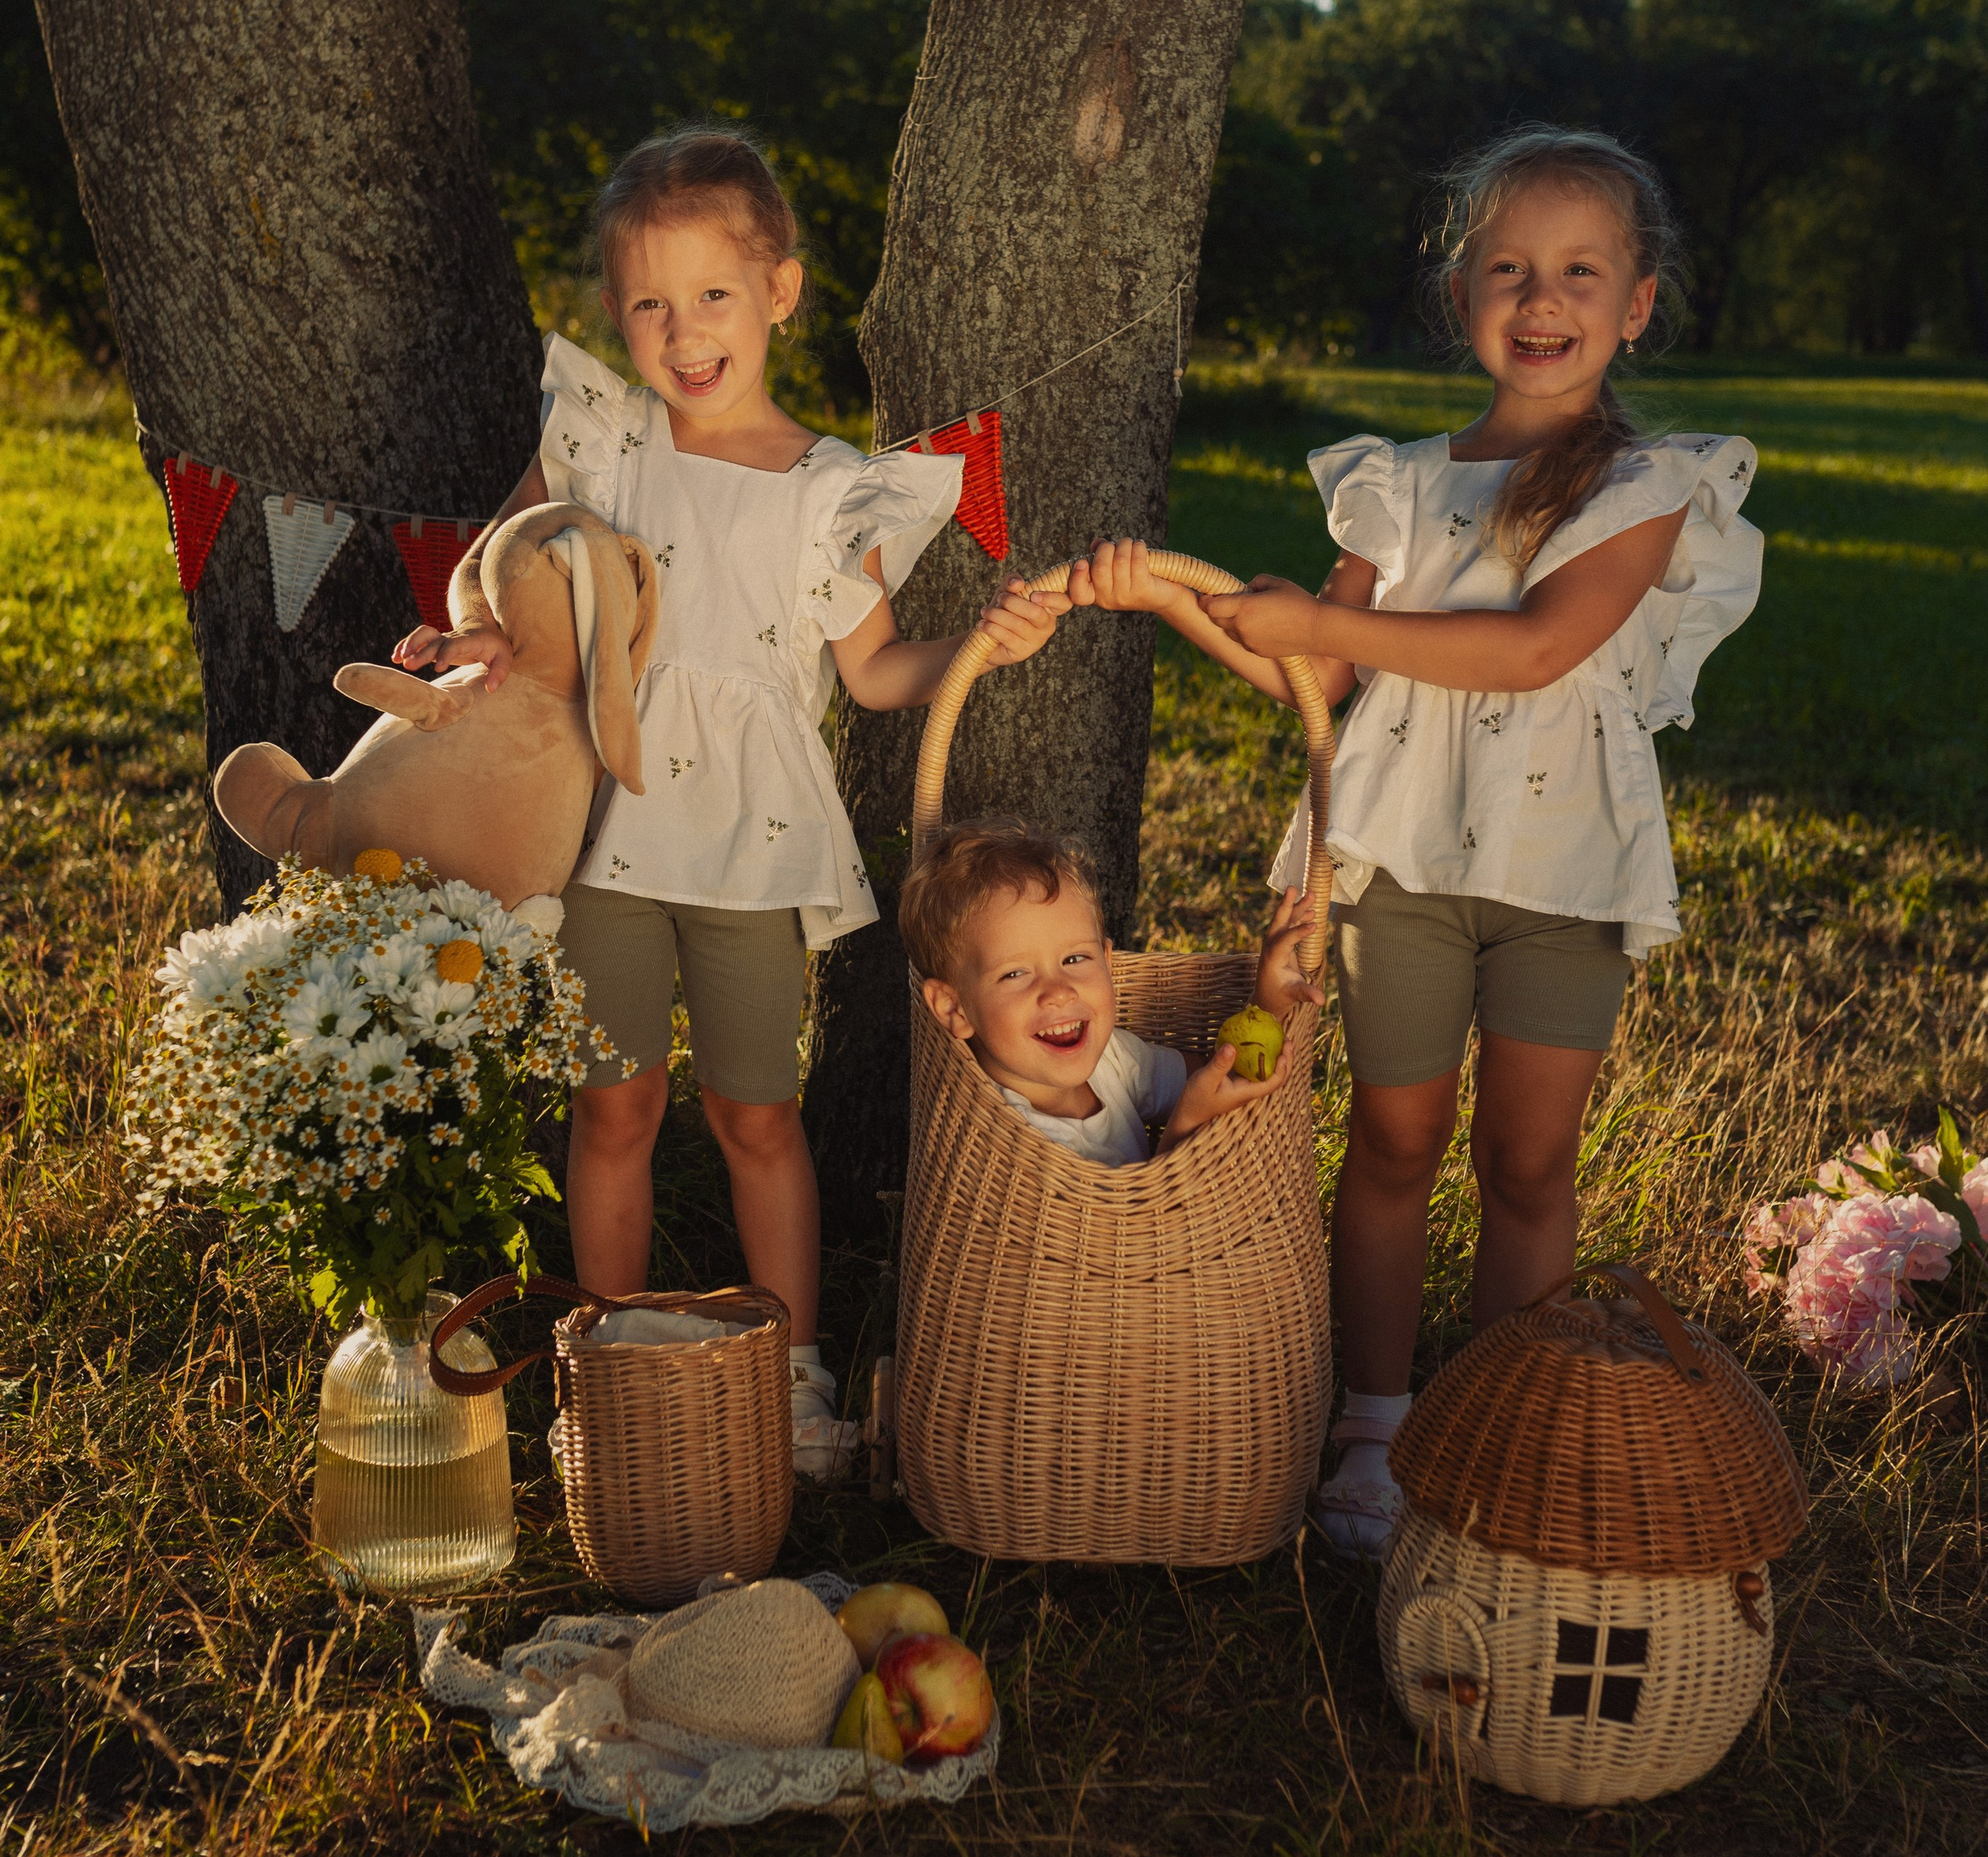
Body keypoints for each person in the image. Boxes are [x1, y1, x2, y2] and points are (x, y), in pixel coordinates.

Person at [1072, 127, 1764, 1551]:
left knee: (1528, 1160)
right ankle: (1376, 1424)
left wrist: (1326, 621)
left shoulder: (1646, 486)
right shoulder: (1395, 484)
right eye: (1507, 267)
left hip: (1562, 870)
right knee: (1391, 1139)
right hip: (1392, 860)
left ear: (1638, 304)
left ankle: (1495, 1418)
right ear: (1462, 297)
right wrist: (1186, 601)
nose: (1541, 296)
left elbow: (1532, 650)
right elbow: (1308, 682)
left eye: (1581, 269)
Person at [393, 127, 1065, 1475]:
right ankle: (615, 1351)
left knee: (757, 1114)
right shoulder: (607, 444)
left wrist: (980, 646)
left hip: (755, 849)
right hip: (611, 832)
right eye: (649, 302)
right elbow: (501, 567)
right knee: (615, 1107)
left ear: (780, 292)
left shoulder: (830, 493)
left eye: (713, 295)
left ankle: (793, 1370)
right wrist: (480, 634)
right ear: (617, 318)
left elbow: (873, 674)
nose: (683, 332)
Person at [898, 818, 1322, 1164]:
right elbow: (1130, 1224)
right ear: (953, 1007)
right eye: (1015, 974)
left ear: (1107, 959)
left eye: (1074, 960)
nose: (1059, 992)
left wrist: (1267, 1002)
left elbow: (1221, 1080)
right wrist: (1187, 1124)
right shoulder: (1008, 1139)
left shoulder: (1111, 1058)